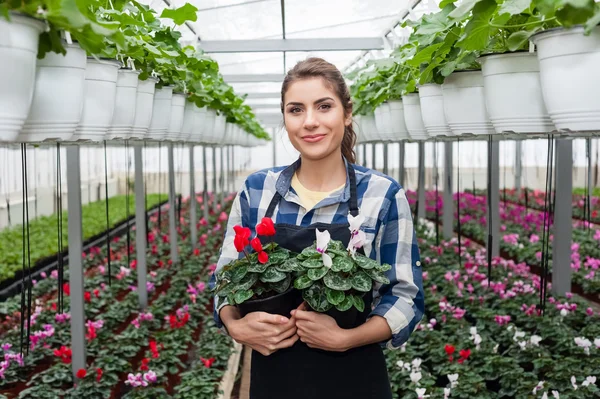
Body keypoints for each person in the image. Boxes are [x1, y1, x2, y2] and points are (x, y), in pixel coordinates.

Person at [210, 57, 424, 399]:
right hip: (274, 379)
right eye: (296, 110)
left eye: (324, 106)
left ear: (347, 112)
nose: (310, 122)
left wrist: (347, 338)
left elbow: (405, 296)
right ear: (284, 117)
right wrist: (236, 325)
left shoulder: (381, 194)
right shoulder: (257, 191)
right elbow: (224, 278)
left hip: (355, 379)